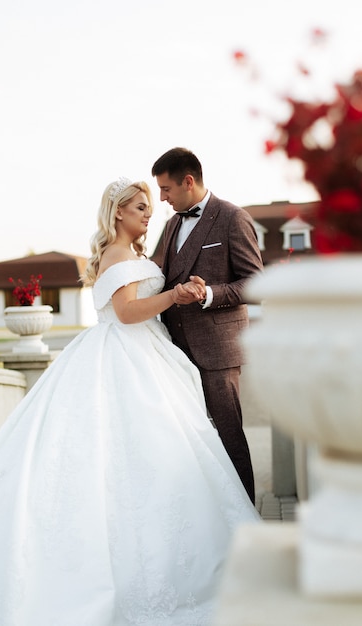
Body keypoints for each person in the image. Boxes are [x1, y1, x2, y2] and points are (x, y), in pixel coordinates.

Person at [0, 177, 260, 626]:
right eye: (139, 208)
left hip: (152, 355)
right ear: (118, 213)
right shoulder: (117, 255)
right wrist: (174, 294)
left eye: (151, 207)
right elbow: (128, 312)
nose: (149, 215)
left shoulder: (135, 255)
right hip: (126, 357)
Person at [151, 148, 264, 504]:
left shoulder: (232, 218)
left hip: (217, 352)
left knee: (229, 439)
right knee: (191, 441)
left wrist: (209, 294)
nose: (162, 198)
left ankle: (246, 519)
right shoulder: (170, 225)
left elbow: (255, 284)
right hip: (174, 354)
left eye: (166, 189)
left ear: (188, 181)